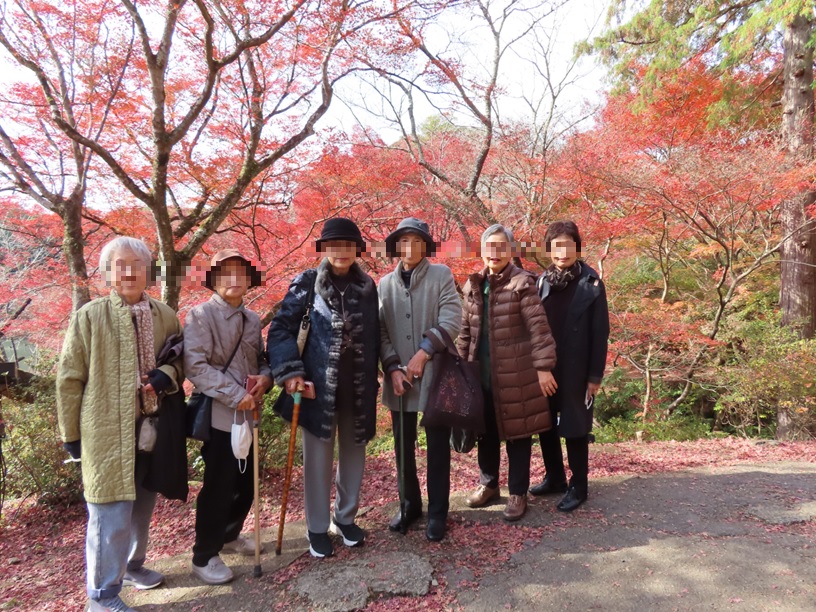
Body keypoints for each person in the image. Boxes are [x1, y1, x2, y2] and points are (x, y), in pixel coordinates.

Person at [56, 237, 184, 612]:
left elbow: (181, 359)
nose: (128, 272)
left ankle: (132, 567)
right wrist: (71, 436)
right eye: (119, 265)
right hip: (106, 433)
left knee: (141, 510)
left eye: (137, 264)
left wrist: (165, 375)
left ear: (149, 270)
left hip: (152, 429)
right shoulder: (90, 316)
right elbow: (69, 379)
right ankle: (102, 595)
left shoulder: (165, 314)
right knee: (109, 515)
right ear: (107, 272)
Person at [267, 217, 380, 558]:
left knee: (354, 453)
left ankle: (344, 518)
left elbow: (376, 334)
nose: (341, 252)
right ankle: (317, 528)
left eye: (348, 245)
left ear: (357, 249)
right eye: (334, 245)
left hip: (358, 383)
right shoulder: (307, 282)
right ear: (325, 249)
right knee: (317, 458)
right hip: (316, 385)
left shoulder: (368, 286)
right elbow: (280, 329)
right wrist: (291, 372)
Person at [457, 224, 557, 522]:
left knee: (518, 433)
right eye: (490, 247)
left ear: (511, 250)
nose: (495, 253)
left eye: (502, 247)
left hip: (516, 373)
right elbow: (464, 333)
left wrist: (543, 368)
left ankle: (517, 492)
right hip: (481, 374)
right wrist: (461, 371)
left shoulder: (522, 283)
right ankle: (489, 484)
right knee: (484, 431)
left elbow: (539, 329)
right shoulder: (473, 284)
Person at [184, 249, 273, 584]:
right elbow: (195, 366)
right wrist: (237, 395)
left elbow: (260, 360)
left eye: (240, 273)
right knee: (219, 486)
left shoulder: (252, 319)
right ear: (215, 281)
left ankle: (230, 534)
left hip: (250, 414)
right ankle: (204, 555)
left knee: (245, 484)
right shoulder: (200, 316)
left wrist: (266, 378)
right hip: (220, 414)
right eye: (225, 274)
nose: (233, 280)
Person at [378, 217, 461, 542]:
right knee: (402, 447)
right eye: (403, 241)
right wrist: (393, 367)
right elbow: (381, 330)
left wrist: (424, 351)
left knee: (438, 447)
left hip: (435, 375)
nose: (409, 247)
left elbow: (453, 317)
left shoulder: (441, 275)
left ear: (425, 245)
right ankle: (409, 504)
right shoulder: (384, 284)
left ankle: (438, 512)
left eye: (416, 241)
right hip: (398, 378)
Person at [530, 221, 609, 512]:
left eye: (567, 245)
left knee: (576, 427)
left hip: (577, 368)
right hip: (547, 367)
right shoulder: (541, 282)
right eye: (556, 246)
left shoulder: (592, 282)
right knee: (546, 424)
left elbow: (601, 332)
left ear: (577, 247)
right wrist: (539, 366)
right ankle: (554, 477)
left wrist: (594, 376)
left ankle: (579, 486)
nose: (562, 252)